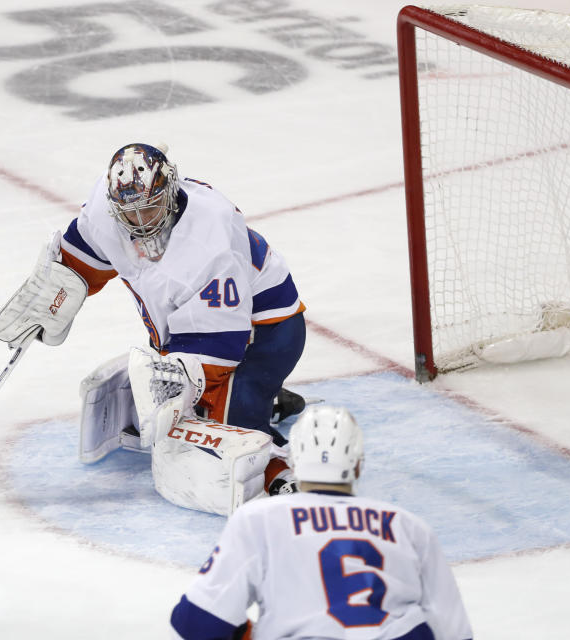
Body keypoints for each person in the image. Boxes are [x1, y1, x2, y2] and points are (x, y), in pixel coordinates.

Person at [57, 142, 307, 495]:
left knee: (222, 434)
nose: (141, 222)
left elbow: (219, 350)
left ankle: (278, 467)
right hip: (195, 323)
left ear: (170, 190)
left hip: (263, 330)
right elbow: (83, 255)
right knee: (183, 402)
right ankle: (267, 396)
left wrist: (180, 383)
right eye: (131, 214)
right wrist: (53, 292)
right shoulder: (107, 206)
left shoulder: (210, 240)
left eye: (151, 207)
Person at [169, 405, 474, 640]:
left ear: (294, 461)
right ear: (357, 464)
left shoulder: (259, 520)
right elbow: (454, 632)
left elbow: (197, 621)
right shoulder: (409, 527)